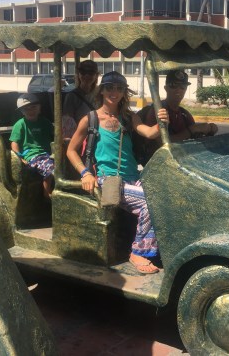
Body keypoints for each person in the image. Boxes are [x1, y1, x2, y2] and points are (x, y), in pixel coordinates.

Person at [66, 71, 169, 275]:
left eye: (119, 88)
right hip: (108, 180)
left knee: (165, 195)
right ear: (102, 90)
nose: (114, 92)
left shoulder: (129, 117)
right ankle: (138, 252)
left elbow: (149, 133)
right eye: (110, 87)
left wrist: (161, 122)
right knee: (149, 202)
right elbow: (71, 150)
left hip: (133, 177)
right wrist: (85, 173)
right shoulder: (91, 119)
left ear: (124, 93)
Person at [140, 70, 217, 162]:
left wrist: (209, 129)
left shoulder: (185, 114)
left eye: (183, 87)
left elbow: (194, 139)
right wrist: (191, 130)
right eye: (173, 85)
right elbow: (163, 144)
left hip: (181, 160)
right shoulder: (158, 111)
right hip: (159, 162)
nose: (178, 90)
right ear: (166, 88)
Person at [10, 93, 55, 199]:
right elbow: (14, 143)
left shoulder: (45, 122)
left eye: (33, 107)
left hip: (47, 154)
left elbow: (55, 135)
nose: (31, 111)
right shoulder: (20, 124)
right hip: (31, 156)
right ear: (22, 112)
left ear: (39, 108)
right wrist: (19, 158)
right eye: (26, 109)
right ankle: (47, 194)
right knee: (49, 166)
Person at [61, 59, 100, 138]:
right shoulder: (71, 96)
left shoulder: (101, 94)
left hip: (99, 136)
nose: (87, 76)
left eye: (91, 73)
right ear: (78, 74)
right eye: (83, 72)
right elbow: (67, 124)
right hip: (81, 137)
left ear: (96, 75)